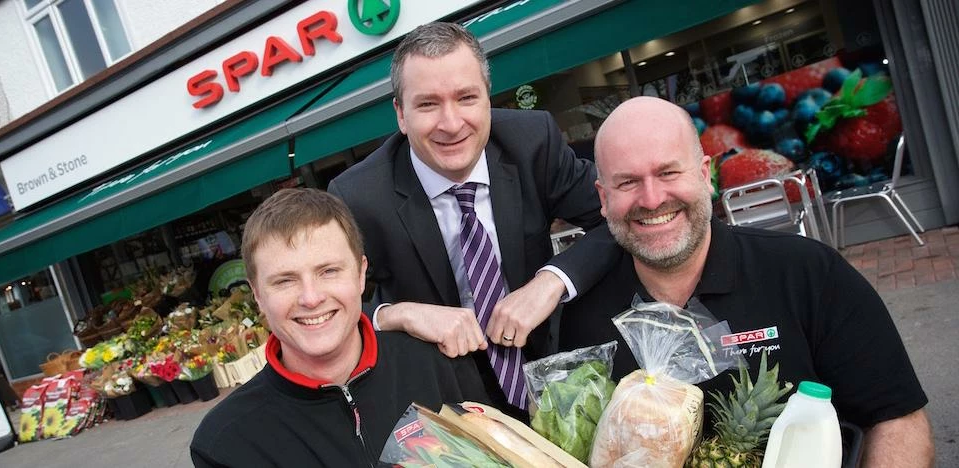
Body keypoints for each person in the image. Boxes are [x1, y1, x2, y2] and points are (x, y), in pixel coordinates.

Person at [560, 96, 934, 466]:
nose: (653, 198)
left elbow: (897, 419)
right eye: (627, 182)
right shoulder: (581, 321)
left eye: (669, 173)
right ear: (603, 199)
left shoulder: (806, 272)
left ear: (705, 175)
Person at [327, 22, 611, 414]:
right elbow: (327, 306)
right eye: (428, 104)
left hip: (556, 368)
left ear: (487, 98)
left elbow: (618, 218)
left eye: (466, 98)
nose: (451, 123)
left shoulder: (534, 141)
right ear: (401, 115)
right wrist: (399, 314)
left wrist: (551, 281)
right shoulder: (358, 197)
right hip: (443, 400)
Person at [190, 189, 488, 467]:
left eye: (329, 271)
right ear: (257, 294)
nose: (311, 298)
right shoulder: (224, 443)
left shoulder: (438, 363)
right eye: (285, 280)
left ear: (360, 275)